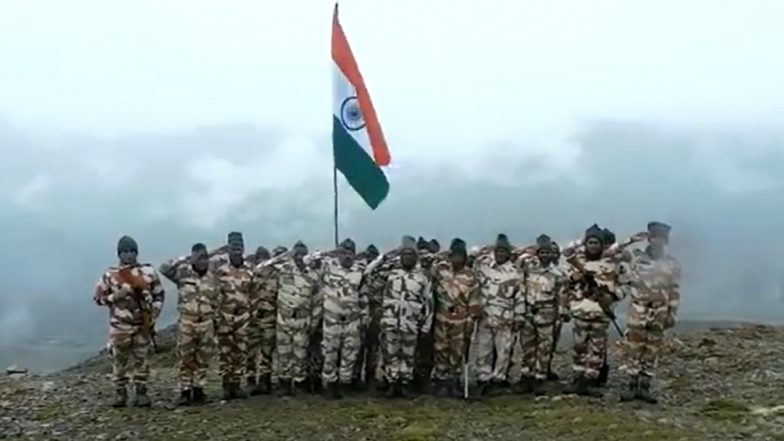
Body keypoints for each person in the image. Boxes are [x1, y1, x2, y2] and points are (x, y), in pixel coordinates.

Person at [93, 235, 164, 408]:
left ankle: (141, 393)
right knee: (120, 362)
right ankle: (120, 393)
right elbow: (98, 298)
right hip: (120, 326)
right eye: (125, 252)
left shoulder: (148, 272)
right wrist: (114, 296)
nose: (129, 255)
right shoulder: (110, 275)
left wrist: (154, 312)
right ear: (119, 254)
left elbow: (159, 294)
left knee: (142, 360)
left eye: (132, 251)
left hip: (142, 325)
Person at [564, 225, 634, 397]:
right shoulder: (578, 261)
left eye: (597, 242)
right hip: (580, 312)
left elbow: (626, 284)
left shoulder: (614, 262)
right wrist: (576, 290)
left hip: (601, 314)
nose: (593, 245)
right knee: (579, 348)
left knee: (597, 350)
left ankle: (590, 380)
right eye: (590, 242)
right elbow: (568, 283)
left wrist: (613, 296)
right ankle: (578, 378)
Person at [620, 222, 681, 404]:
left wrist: (672, 313)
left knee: (652, 349)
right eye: (654, 237)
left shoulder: (672, 263)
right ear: (649, 238)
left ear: (665, 240)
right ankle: (631, 386)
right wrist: (630, 240)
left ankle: (645, 387)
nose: (657, 241)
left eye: (661, 238)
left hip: (660, 311)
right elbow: (614, 253)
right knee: (633, 348)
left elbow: (674, 290)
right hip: (638, 309)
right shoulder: (635, 258)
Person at [257, 241, 319, 396]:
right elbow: (262, 268)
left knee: (300, 354)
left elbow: (317, 301)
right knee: (284, 353)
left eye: (303, 254)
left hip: (302, 320)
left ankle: (299, 383)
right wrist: (285, 256)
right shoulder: (283, 270)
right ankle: (284, 383)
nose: (300, 257)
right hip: (284, 319)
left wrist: (314, 323)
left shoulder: (313, 275)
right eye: (296, 254)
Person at [159, 243, 218, 406]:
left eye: (205, 257)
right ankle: (185, 391)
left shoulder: (212, 276)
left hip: (206, 322)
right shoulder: (183, 274)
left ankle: (199, 389)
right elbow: (163, 268)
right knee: (186, 358)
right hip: (187, 322)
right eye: (199, 258)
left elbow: (217, 299)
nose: (202, 261)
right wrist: (186, 258)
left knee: (203, 358)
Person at [509, 235, 568, 395]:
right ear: (537, 253)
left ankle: (540, 377)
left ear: (552, 254)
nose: (545, 256)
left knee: (544, 348)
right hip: (528, 312)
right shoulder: (528, 267)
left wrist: (562, 313)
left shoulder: (558, 273)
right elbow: (520, 283)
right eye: (542, 252)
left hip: (547, 314)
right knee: (527, 347)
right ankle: (526, 376)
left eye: (548, 253)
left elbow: (562, 296)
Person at [379, 236, 434, 398]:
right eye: (404, 254)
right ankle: (392, 383)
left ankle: (405, 384)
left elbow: (429, 303)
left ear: (415, 257)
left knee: (408, 356)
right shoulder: (391, 273)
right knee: (391, 355)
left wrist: (426, 326)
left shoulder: (423, 276)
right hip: (391, 322)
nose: (407, 257)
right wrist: (387, 257)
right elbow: (370, 272)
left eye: (411, 254)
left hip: (411, 323)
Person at [316, 239, 369, 398]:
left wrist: (365, 317)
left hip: (352, 320)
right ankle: (329, 384)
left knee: (350, 353)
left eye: (350, 253)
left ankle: (344, 383)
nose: (347, 256)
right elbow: (309, 260)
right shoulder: (328, 267)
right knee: (330, 353)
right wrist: (331, 252)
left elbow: (363, 296)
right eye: (344, 253)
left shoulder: (360, 271)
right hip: (332, 319)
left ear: (354, 255)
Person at [472, 234, 523, 396]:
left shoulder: (515, 273)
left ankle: (499, 379)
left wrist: (519, 316)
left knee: (503, 351)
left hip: (505, 317)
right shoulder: (484, 267)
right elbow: (475, 287)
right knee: (483, 349)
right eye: (498, 251)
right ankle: (483, 377)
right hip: (485, 316)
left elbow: (520, 296)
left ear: (508, 253)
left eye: (503, 251)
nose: (500, 254)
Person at [430, 238, 480, 397]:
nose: (456, 259)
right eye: (454, 256)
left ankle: (454, 380)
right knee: (440, 349)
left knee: (457, 351)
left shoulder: (471, 276)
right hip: (442, 316)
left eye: (460, 256)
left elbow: (474, 299)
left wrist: (471, 319)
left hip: (461, 318)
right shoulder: (440, 270)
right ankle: (441, 381)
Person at [214, 232, 257, 400]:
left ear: (244, 248)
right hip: (225, 317)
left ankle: (237, 385)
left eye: (239, 247)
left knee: (240, 352)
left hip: (243, 318)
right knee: (225, 352)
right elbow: (215, 294)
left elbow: (254, 293)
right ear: (228, 249)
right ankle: (226, 386)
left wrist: (249, 312)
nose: (237, 250)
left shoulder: (249, 271)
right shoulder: (221, 271)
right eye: (233, 247)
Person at [246, 246, 274, 395]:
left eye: (265, 257)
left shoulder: (275, 275)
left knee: (267, 351)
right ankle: (250, 380)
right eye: (260, 257)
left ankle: (265, 380)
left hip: (269, 317)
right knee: (250, 351)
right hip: (252, 318)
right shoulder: (250, 273)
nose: (262, 260)